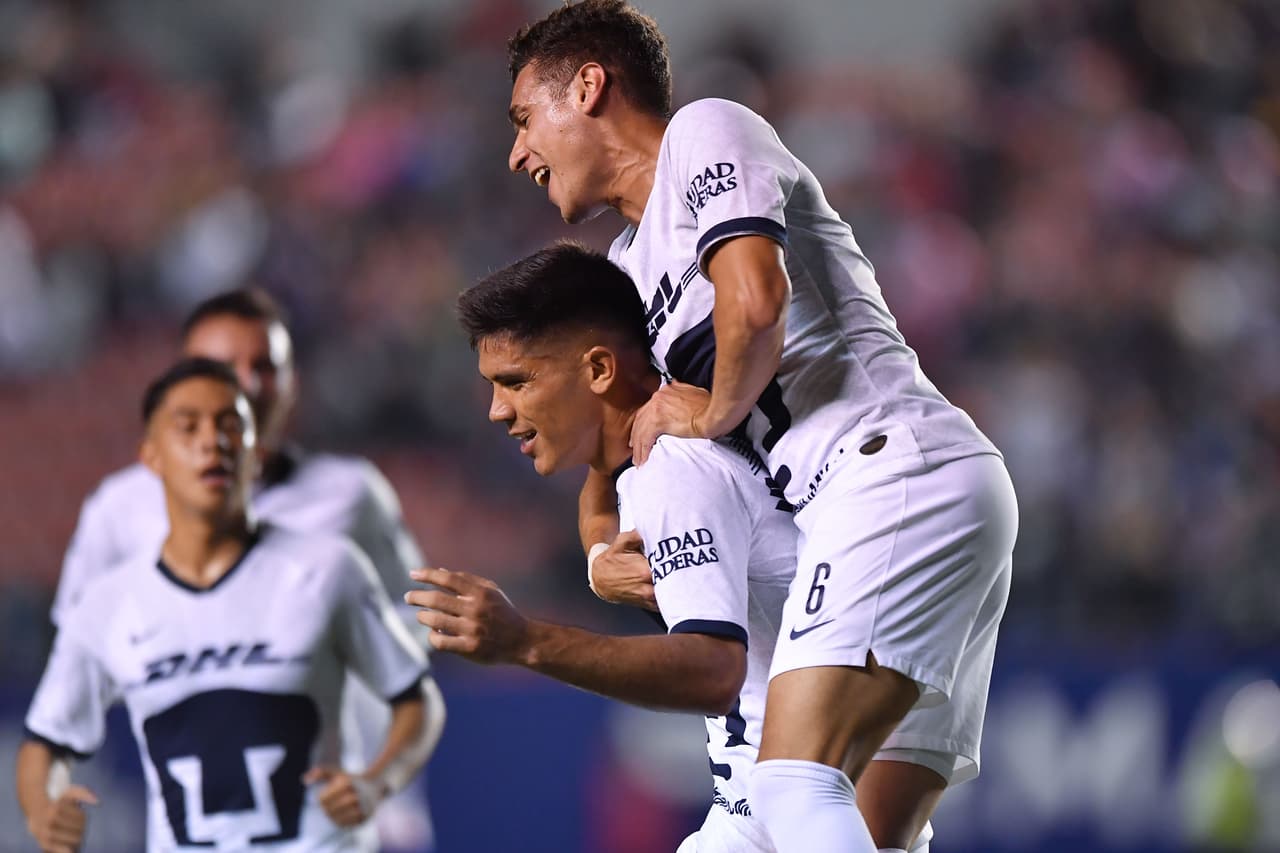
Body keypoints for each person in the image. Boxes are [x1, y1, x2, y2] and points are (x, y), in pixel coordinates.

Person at [504, 3, 1018, 851]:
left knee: (789, 784)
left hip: (892, 473)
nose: (517, 151)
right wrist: (600, 554)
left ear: (589, 86)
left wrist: (704, 409)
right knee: (867, 831)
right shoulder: (629, 272)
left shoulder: (706, 132)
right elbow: (608, 446)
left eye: (526, 118)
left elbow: (756, 299)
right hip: (915, 499)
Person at [407, 243, 796, 851]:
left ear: (598, 370)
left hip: (799, 800)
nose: (496, 411)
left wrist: (525, 641)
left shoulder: (674, 469)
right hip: (761, 802)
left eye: (516, 382)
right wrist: (595, 561)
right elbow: (601, 484)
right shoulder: (638, 467)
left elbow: (714, 670)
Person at [52, 288, 444, 849]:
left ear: (292, 382)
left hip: (341, 798)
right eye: (221, 366)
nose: (247, 382)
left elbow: (413, 629)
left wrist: (384, 774)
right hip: (206, 807)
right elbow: (81, 650)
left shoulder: (350, 495)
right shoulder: (120, 509)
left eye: (265, 366)